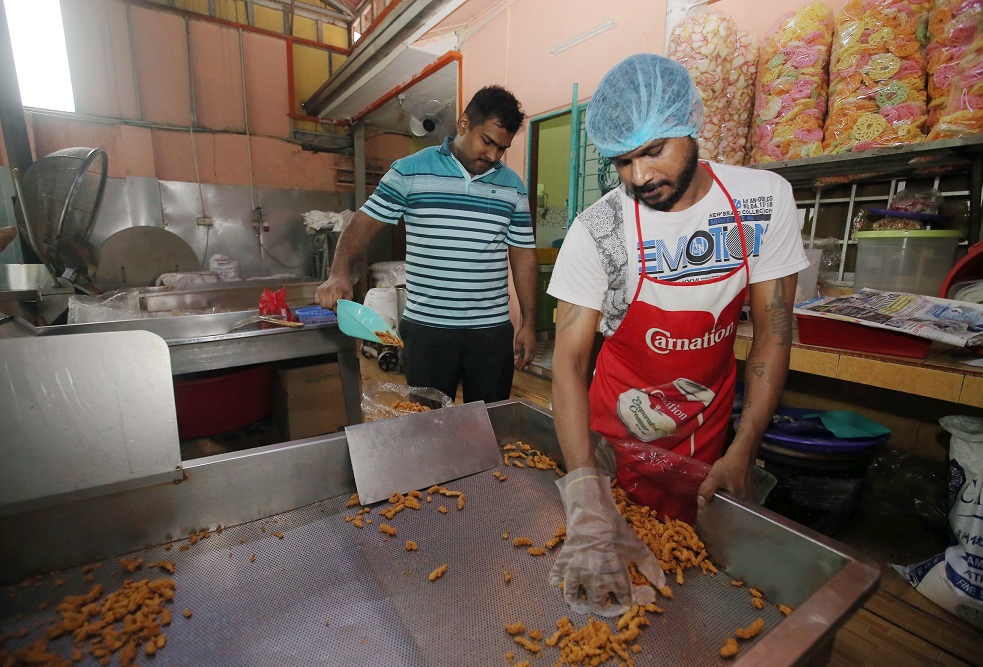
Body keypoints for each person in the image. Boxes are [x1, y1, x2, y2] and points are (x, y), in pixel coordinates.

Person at [546, 54, 808, 615]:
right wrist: (585, 494)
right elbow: (568, 363)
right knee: (608, 597)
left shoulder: (761, 202)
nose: (640, 177)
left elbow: (774, 331)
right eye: (622, 161)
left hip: (706, 435)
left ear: (690, 122)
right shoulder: (599, 231)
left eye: (653, 151)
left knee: (685, 590)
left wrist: (745, 447)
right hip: (610, 439)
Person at [315, 85, 537, 404]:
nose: (492, 156)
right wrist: (338, 272)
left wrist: (528, 323)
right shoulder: (410, 171)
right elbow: (362, 224)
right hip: (428, 330)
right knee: (429, 424)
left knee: (490, 423)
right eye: (487, 141)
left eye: (502, 148)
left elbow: (524, 256)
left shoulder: (512, 186)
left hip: (490, 332)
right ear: (463, 124)